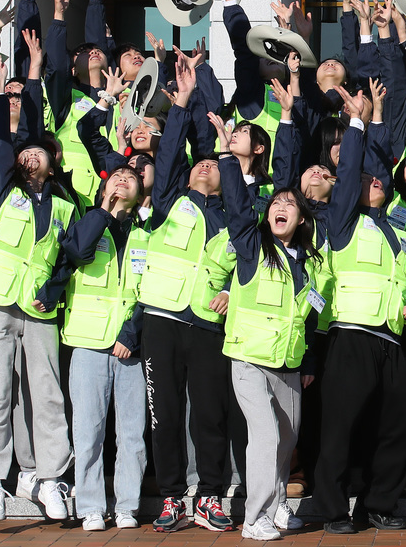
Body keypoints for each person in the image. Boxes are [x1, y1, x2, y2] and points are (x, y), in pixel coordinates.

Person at [312, 85, 406, 534]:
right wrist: (359, 121)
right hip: (352, 336)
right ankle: (332, 509)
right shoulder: (344, 220)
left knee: (395, 429)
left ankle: (379, 505)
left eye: (378, 177)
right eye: (365, 179)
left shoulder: (404, 230)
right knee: (341, 428)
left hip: (393, 342)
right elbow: (348, 176)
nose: (374, 180)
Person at [0, 35, 77, 523]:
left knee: (46, 393)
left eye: (40, 152)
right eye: (25, 152)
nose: (30, 156)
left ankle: (48, 477)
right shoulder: (0, 195)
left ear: (53, 162)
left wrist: (36, 70)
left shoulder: (64, 207)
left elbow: (66, 261)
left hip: (38, 311)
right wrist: (2, 89)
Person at [135, 59, 237, 533]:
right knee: (166, 416)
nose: (203, 167)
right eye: (200, 163)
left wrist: (233, 296)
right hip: (161, 319)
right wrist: (179, 104)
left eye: (212, 165)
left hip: (206, 326)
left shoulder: (233, 214)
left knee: (210, 415)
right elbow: (171, 154)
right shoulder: (171, 200)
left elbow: (251, 261)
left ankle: (211, 495)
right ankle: (173, 497)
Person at [217, 121, 321, 542]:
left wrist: (308, 361)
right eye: (275, 201)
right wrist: (228, 157)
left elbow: (309, 318)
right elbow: (240, 207)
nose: (280, 206)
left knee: (285, 441)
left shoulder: (309, 264)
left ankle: (277, 507)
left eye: (289, 204)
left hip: (289, 364)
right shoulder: (251, 243)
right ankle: (253, 517)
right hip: (248, 359)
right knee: (265, 435)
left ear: (300, 218)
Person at [57, 155, 149, 532]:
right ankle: (91, 505)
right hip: (88, 342)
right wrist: (103, 211)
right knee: (88, 431)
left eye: (130, 178)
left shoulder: (147, 233)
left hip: (130, 346)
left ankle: (127, 504)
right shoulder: (87, 223)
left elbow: (152, 290)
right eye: (116, 177)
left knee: (131, 432)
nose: (123, 180)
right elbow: (77, 252)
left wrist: (132, 333)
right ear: (103, 189)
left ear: (141, 194)